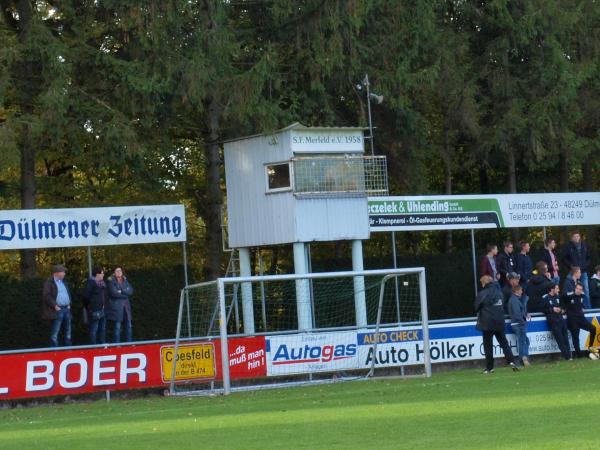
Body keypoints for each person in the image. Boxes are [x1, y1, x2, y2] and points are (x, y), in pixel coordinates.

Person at [474, 275, 519, 374]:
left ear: (484, 283)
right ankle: (511, 361)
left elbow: (476, 306)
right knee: (504, 343)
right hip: (499, 321)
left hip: (487, 322)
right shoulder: (499, 292)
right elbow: (502, 304)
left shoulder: (483, 293)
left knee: (488, 345)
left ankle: (490, 367)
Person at [42, 264, 72, 347]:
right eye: (63, 272)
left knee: (68, 333)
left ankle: (68, 351)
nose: (64, 274)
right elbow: (46, 295)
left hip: (66, 309)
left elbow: (67, 293)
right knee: (55, 333)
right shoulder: (49, 282)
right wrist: (55, 306)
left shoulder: (63, 282)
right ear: (56, 273)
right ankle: (54, 352)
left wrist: (69, 304)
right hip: (57, 310)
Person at [563, 282, 596, 357]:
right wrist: (563, 308)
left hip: (581, 319)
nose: (578, 290)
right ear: (575, 288)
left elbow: (583, 304)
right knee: (576, 337)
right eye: (577, 289)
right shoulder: (569, 295)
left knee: (593, 328)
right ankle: (579, 354)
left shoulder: (582, 296)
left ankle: (590, 347)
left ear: (582, 290)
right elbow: (562, 298)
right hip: (572, 320)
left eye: (580, 289)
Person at [562, 231, 592, 309]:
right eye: (574, 236)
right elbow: (564, 258)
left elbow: (589, 258)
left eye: (577, 236)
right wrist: (571, 266)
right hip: (573, 272)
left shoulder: (584, 245)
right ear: (572, 238)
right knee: (571, 288)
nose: (576, 238)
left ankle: (587, 309)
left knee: (585, 290)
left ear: (580, 237)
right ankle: (573, 307)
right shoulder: (568, 246)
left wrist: (585, 266)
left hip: (583, 271)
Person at [542, 284, 571, 360]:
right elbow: (542, 309)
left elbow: (564, 307)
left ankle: (570, 356)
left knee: (566, 339)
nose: (558, 290)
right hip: (553, 322)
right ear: (552, 289)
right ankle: (567, 357)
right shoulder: (545, 298)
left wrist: (561, 310)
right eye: (557, 288)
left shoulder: (559, 297)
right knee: (560, 340)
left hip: (561, 320)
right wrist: (552, 309)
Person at [107, 266, 134, 343]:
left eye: (120, 270)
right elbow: (113, 293)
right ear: (114, 273)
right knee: (117, 327)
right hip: (117, 308)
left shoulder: (125, 279)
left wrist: (121, 291)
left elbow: (131, 291)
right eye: (117, 271)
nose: (119, 272)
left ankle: (129, 343)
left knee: (129, 326)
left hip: (126, 307)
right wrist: (125, 293)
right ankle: (117, 345)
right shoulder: (111, 280)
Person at [83, 267, 107, 345]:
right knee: (94, 329)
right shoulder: (91, 282)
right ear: (97, 274)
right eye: (102, 273)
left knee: (102, 329)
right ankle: (93, 346)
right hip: (94, 309)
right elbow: (86, 296)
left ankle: (102, 344)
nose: (103, 274)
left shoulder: (102, 283)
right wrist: (89, 308)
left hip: (102, 309)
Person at [508, 284, 530, 366]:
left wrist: (526, 314)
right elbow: (517, 314)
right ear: (516, 291)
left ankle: (524, 358)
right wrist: (522, 321)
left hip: (518, 323)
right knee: (523, 341)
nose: (522, 291)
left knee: (525, 341)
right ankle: (523, 359)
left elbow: (520, 312)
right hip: (518, 324)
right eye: (521, 290)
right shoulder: (514, 300)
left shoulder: (515, 299)